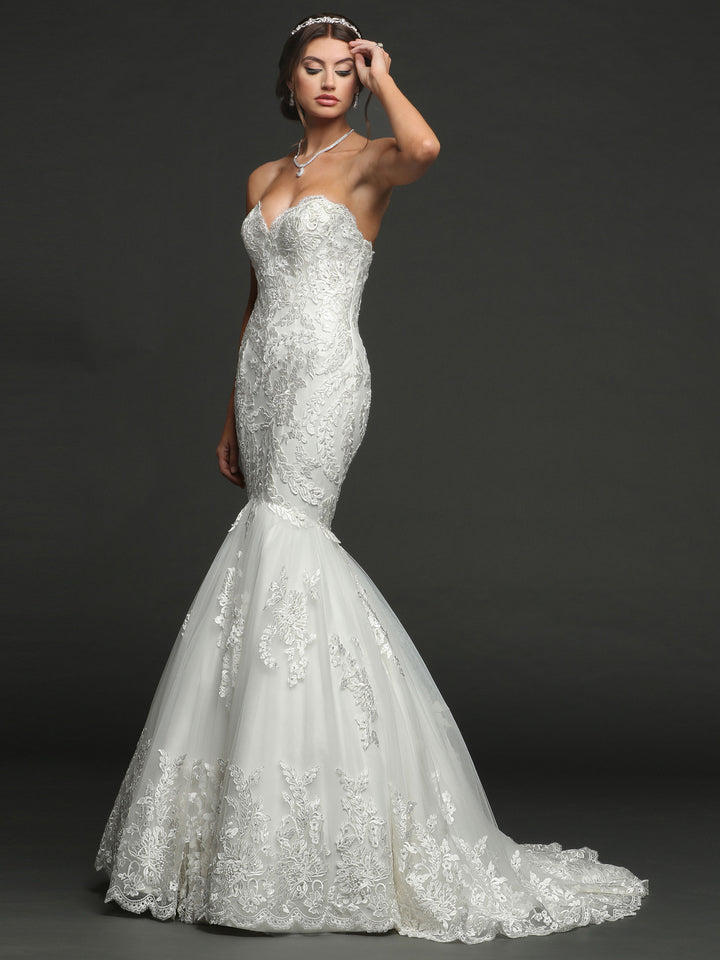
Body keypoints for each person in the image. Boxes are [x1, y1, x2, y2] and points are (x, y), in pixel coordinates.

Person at [95, 14, 648, 943]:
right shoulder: (261, 178)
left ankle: (319, 827)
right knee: (263, 554)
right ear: (288, 82)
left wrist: (386, 73)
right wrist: (230, 410)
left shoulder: (369, 163)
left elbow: (426, 147)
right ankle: (248, 828)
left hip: (323, 375)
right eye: (313, 68)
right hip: (263, 379)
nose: (328, 81)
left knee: (292, 545)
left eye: (343, 70)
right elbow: (257, 298)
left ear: (357, 83)